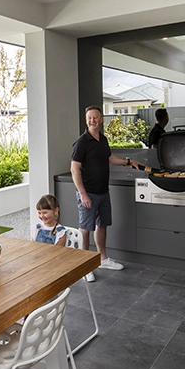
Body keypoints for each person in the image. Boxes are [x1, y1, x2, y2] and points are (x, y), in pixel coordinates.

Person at [71, 105, 143, 272]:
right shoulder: (81, 143)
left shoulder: (102, 140)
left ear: (101, 119)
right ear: (86, 120)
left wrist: (128, 161)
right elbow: (75, 170)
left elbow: (110, 158)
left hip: (103, 192)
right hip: (88, 193)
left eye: (95, 117)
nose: (92, 120)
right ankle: (84, 267)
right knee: (85, 230)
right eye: (89, 117)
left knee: (102, 225)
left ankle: (103, 259)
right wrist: (83, 194)